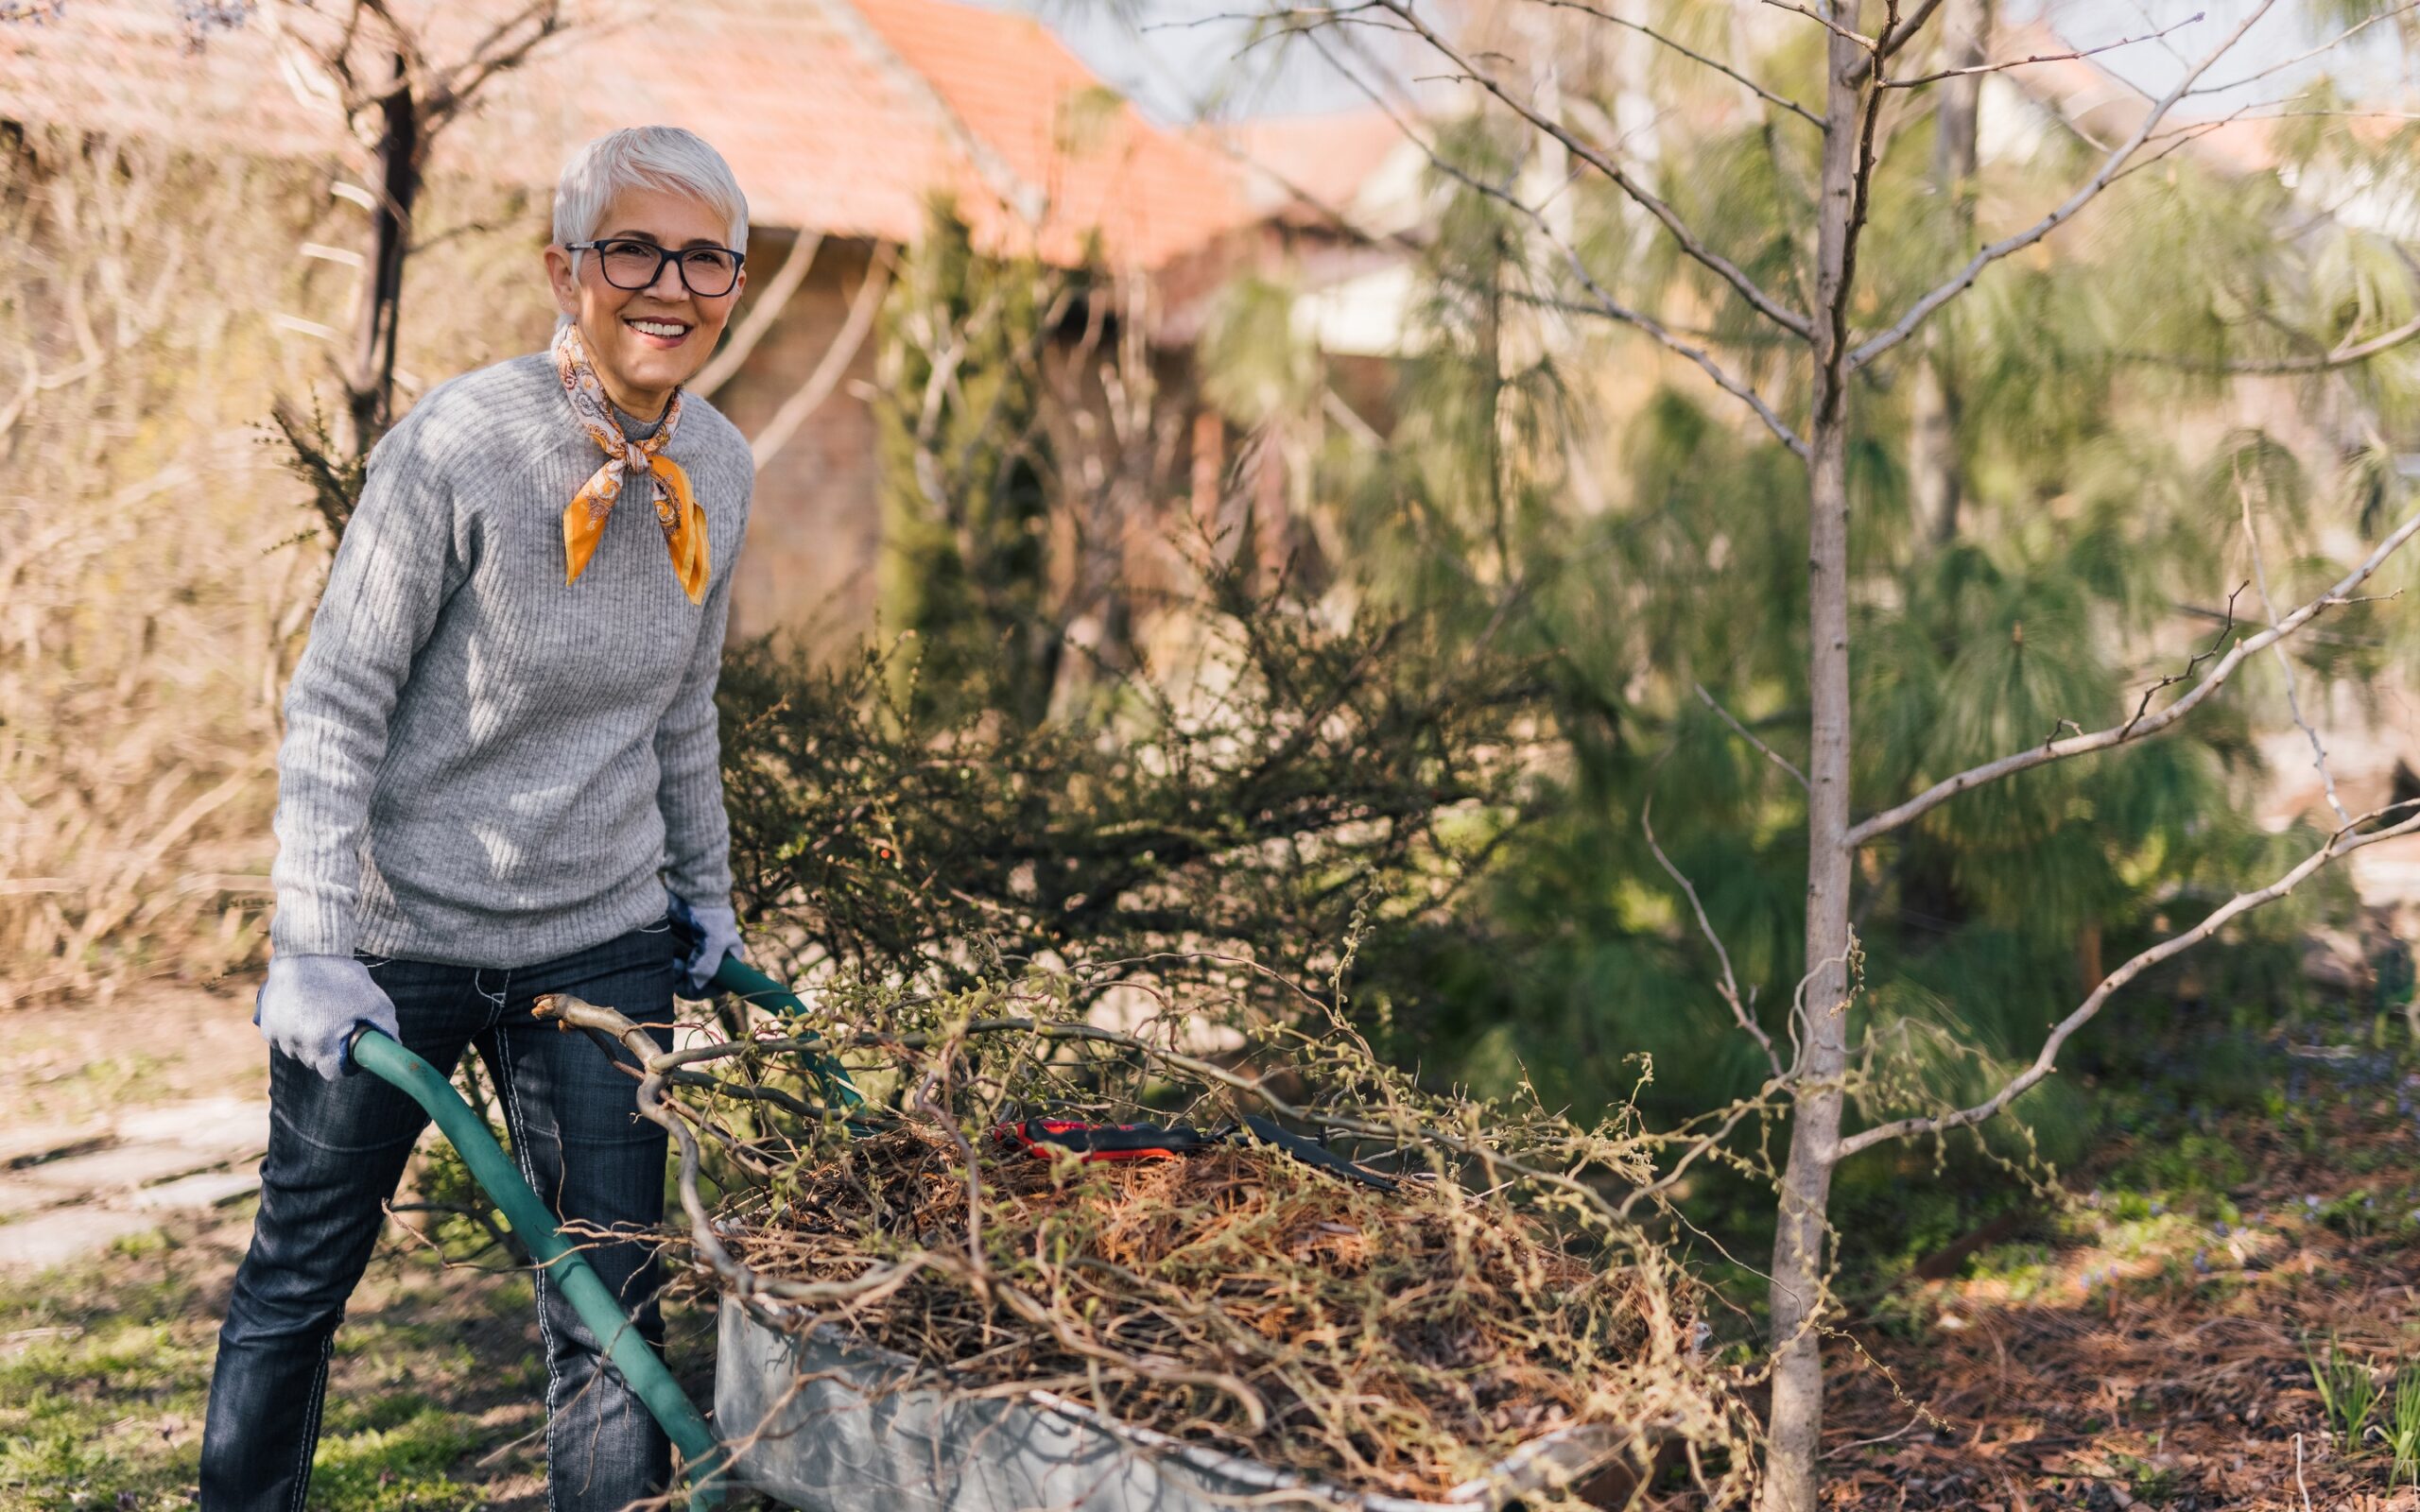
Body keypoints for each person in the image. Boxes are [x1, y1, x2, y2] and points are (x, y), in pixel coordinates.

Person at [201, 126, 757, 1511]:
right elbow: (337, 705)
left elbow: (682, 706)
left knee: (610, 1303)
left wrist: (707, 889)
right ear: (564, 267)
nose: (669, 286)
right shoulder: (460, 445)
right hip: (396, 940)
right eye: (634, 247)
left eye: (707, 258)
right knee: (300, 1273)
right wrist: (316, 940)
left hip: (604, 940)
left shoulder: (726, 468)